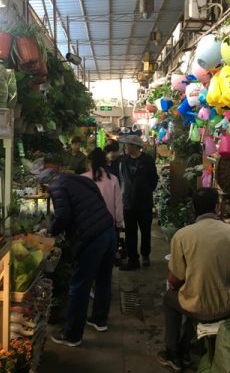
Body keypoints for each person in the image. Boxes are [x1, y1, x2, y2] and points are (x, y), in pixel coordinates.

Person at [157, 187, 230, 372]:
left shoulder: (183, 235)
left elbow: (175, 279)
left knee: (170, 298)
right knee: (195, 294)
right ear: (217, 208)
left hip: (198, 306)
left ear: (194, 209)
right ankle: (185, 349)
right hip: (228, 304)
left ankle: (172, 353)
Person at [48, 173, 116, 346]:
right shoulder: (82, 180)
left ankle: (72, 334)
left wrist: (50, 232)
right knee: (103, 279)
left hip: (91, 238)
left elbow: (63, 216)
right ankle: (99, 320)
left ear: (46, 182)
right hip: (108, 229)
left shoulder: (56, 186)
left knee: (79, 285)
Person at [118, 134, 158, 270]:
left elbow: (154, 180)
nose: (126, 147)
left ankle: (145, 255)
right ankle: (132, 258)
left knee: (145, 231)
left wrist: (145, 191)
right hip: (128, 202)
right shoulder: (124, 161)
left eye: (128, 145)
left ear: (135, 146)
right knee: (130, 233)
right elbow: (121, 179)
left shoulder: (147, 160)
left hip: (144, 203)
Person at [82, 147, 123, 228]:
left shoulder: (82, 178)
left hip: (87, 224)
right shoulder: (113, 179)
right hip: (108, 224)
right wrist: (119, 222)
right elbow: (118, 204)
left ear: (90, 162)